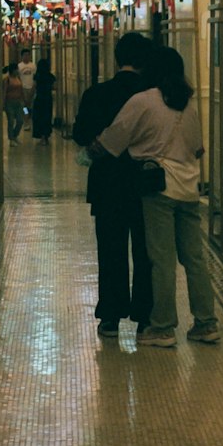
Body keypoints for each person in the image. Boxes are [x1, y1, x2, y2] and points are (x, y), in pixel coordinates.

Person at [96, 46, 219, 349]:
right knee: (194, 258)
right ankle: (206, 323)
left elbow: (115, 138)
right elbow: (198, 148)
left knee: (161, 259)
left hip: (158, 189)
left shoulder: (143, 101)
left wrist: (91, 152)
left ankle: (163, 327)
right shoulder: (186, 103)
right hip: (188, 188)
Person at [73, 32, 154, 339]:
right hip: (144, 182)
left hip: (107, 183)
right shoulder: (153, 94)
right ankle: (145, 314)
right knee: (146, 252)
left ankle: (110, 316)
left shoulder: (97, 93)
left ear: (117, 59)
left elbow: (80, 134)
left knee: (111, 249)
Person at [30, 56, 56, 143]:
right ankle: (46, 135)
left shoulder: (37, 76)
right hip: (48, 99)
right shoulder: (50, 76)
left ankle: (41, 136)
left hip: (39, 99)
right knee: (47, 117)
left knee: (39, 117)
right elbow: (55, 87)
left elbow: (34, 87)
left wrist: (29, 98)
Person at [3, 62, 25, 144]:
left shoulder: (18, 78)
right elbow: (4, 92)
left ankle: (15, 135)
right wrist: (3, 103)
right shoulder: (7, 79)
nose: (18, 71)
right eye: (16, 69)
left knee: (20, 121)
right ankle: (11, 138)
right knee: (11, 121)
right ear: (12, 70)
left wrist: (24, 101)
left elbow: (21, 90)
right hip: (9, 102)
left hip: (19, 102)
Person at [18, 50, 36, 121]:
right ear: (22, 56)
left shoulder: (33, 65)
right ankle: (26, 119)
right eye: (25, 55)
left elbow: (35, 77)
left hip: (32, 87)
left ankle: (31, 117)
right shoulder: (19, 66)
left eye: (28, 55)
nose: (27, 57)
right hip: (23, 88)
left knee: (31, 104)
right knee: (24, 105)